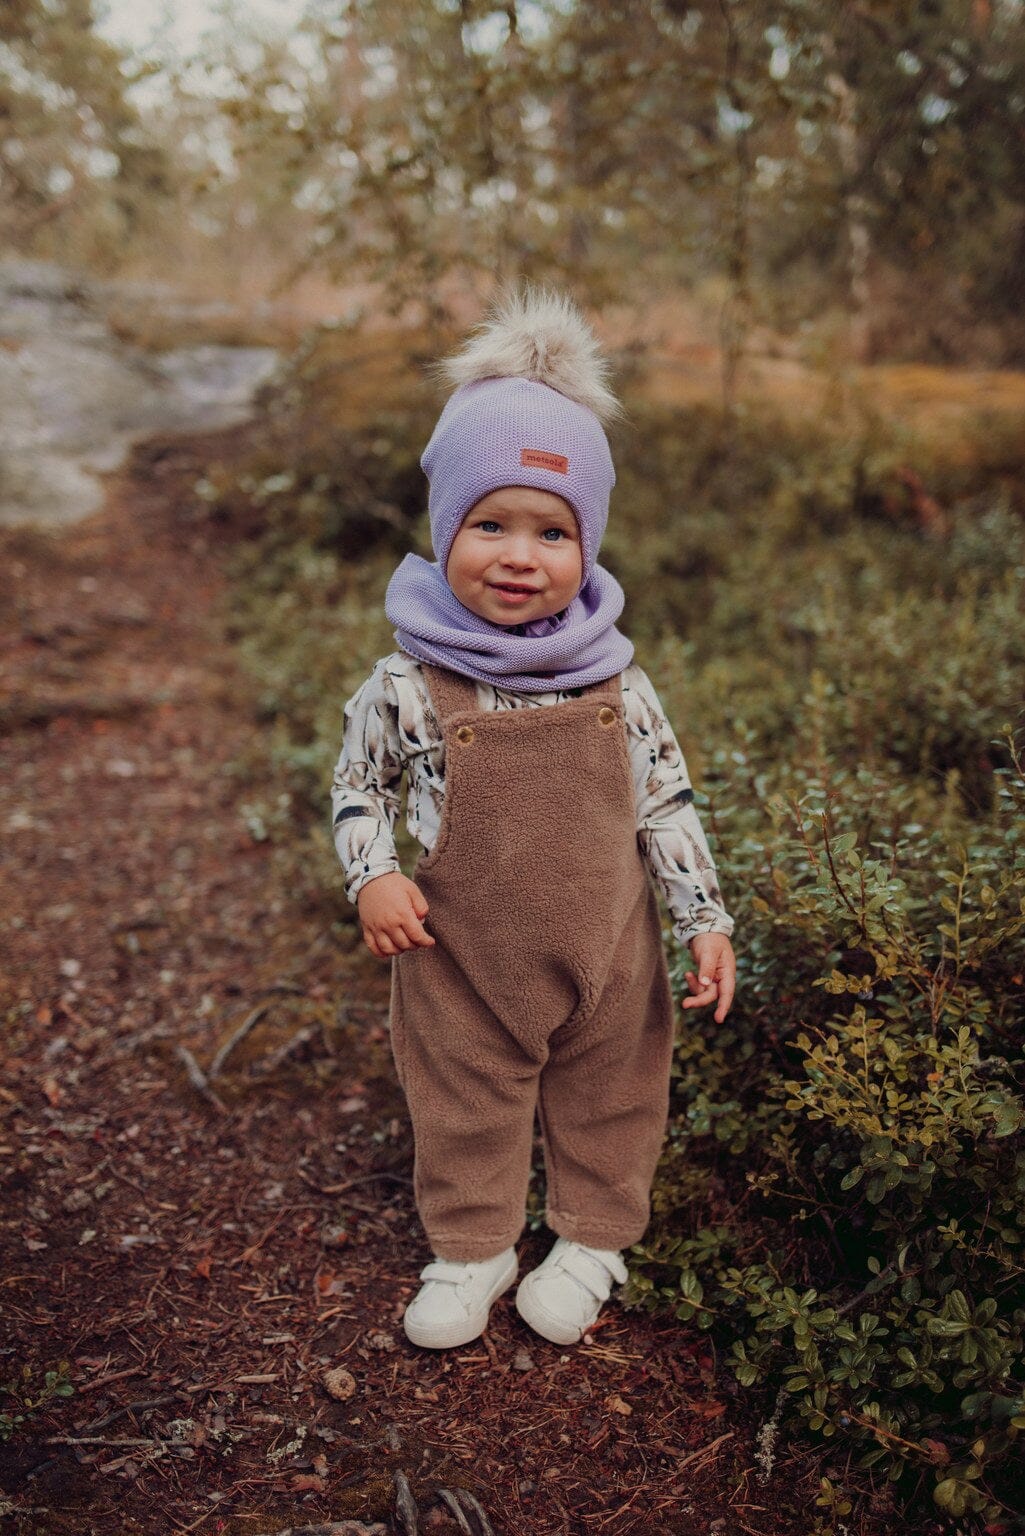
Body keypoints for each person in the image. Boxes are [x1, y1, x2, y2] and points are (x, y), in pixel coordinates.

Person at [330, 287, 736, 1351]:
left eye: (551, 531)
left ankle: (593, 1240)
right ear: (444, 532)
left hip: (608, 949)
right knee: (464, 1100)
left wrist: (703, 916)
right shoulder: (405, 684)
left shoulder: (618, 681)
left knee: (613, 1095)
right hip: (460, 955)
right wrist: (373, 873)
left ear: (586, 543)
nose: (520, 555)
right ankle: (473, 1250)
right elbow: (358, 787)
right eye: (489, 525)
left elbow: (665, 801)